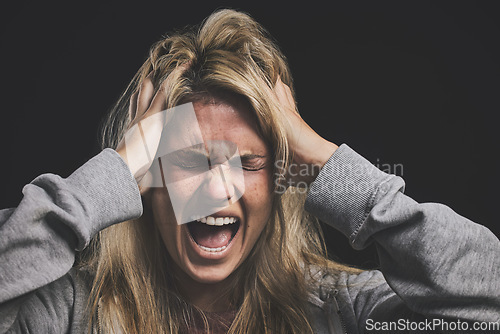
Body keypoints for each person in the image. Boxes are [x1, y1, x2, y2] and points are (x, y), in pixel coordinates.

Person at [0, 8, 499, 334]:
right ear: (144, 183)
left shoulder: (341, 311)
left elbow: (487, 310)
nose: (217, 189)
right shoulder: (70, 313)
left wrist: (326, 161)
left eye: (248, 164)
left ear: (282, 177)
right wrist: (115, 169)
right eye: (190, 161)